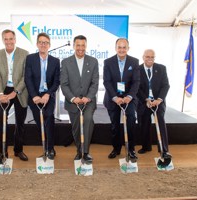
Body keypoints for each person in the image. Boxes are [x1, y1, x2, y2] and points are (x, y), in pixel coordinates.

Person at [60, 35, 99, 163]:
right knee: (76, 127)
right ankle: (79, 150)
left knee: (87, 120)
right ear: (73, 46)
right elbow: (64, 84)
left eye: (83, 45)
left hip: (88, 101)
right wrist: (72, 98)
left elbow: (95, 83)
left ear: (86, 46)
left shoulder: (93, 61)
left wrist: (88, 97)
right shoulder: (65, 62)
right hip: (73, 102)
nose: (80, 48)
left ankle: (85, 152)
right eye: (78, 45)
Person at [0, 29, 29, 161]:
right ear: (3, 40)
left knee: (20, 122)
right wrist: (0, 94)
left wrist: (16, 91)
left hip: (20, 91)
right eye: (5, 39)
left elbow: (26, 76)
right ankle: (2, 152)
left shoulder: (24, 54)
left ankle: (18, 150)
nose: (8, 41)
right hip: (4, 90)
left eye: (10, 39)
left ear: (15, 39)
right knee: (0, 119)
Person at [25, 32, 60, 160]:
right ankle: (45, 147)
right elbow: (27, 78)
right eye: (41, 42)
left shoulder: (55, 61)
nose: (43, 44)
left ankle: (50, 149)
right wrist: (34, 96)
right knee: (39, 122)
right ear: (37, 44)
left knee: (49, 118)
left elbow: (56, 81)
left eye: (45, 42)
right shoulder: (30, 59)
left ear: (49, 45)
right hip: (34, 96)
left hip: (48, 95)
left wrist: (47, 94)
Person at [103, 38, 140, 160]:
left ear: (128, 48)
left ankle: (131, 150)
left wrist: (129, 97)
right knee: (115, 125)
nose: (122, 49)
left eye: (124, 47)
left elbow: (136, 82)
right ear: (115, 48)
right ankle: (116, 149)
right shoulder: (108, 62)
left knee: (131, 122)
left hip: (129, 98)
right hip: (113, 98)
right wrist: (114, 97)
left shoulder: (134, 62)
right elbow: (107, 82)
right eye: (119, 47)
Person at [137, 49, 172, 159]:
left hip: (158, 102)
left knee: (161, 124)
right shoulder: (137, 70)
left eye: (152, 57)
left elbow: (166, 85)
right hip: (144, 102)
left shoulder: (161, 68)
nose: (150, 59)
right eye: (147, 57)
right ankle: (146, 146)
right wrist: (146, 99)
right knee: (144, 124)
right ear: (143, 57)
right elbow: (136, 87)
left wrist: (159, 100)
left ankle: (164, 150)